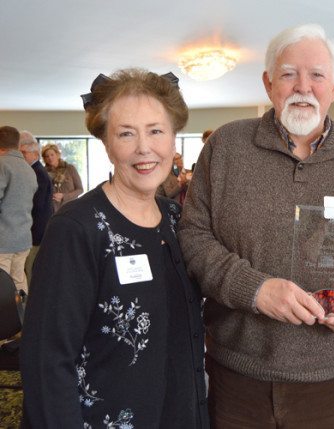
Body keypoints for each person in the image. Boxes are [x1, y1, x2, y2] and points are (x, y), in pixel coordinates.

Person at [179, 23, 334, 428]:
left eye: (317, 75)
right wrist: (255, 290)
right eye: (289, 73)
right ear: (268, 82)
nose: (303, 87)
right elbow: (193, 237)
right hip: (236, 376)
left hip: (331, 382)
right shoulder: (224, 147)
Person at [20, 69, 209, 428]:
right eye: (126, 133)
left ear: (173, 139)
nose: (144, 147)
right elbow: (48, 362)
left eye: (156, 130)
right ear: (106, 143)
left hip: (177, 410)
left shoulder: (175, 217)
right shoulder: (77, 229)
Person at [0, 126, 37, 293]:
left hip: (3, 239)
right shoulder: (28, 169)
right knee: (19, 281)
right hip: (23, 237)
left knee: (2, 285)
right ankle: (22, 317)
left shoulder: (2, 164)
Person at [19, 131, 54, 286]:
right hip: (36, 229)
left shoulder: (37, 173)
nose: (22, 156)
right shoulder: (35, 171)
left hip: (36, 230)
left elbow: (36, 205)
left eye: (23, 152)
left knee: (30, 269)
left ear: (34, 153)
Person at [41, 142, 83, 212]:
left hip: (71, 208)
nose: (50, 158)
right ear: (44, 159)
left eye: (52, 155)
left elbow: (80, 189)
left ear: (57, 155)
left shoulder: (70, 168)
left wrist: (64, 196)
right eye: (47, 156)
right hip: (52, 210)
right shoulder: (43, 173)